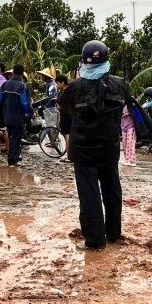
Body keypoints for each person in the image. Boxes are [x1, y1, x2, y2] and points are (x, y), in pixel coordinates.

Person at [58, 40, 130, 250]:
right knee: (112, 190)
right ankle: (114, 233)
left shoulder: (75, 87)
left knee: (89, 194)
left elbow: (65, 106)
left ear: (83, 62)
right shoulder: (121, 85)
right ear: (107, 61)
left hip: (84, 150)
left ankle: (95, 239)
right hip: (109, 149)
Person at [1, 64, 32, 167]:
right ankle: (12, 161)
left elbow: (0, 99)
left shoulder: (5, 84)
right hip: (18, 116)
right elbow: (24, 103)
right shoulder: (23, 86)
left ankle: (15, 157)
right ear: (22, 74)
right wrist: (30, 112)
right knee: (16, 138)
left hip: (6, 115)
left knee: (11, 136)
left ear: (13, 72)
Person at [55, 73, 72, 163]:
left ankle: (69, 156)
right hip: (69, 115)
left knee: (67, 136)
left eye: (57, 83)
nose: (57, 85)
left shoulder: (64, 93)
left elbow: (61, 105)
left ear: (62, 83)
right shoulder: (67, 91)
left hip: (66, 115)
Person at [119, 97, 138, 166]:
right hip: (123, 126)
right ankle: (127, 159)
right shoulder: (120, 105)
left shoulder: (131, 104)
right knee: (124, 143)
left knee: (130, 143)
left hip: (131, 126)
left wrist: (129, 113)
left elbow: (137, 114)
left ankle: (132, 160)